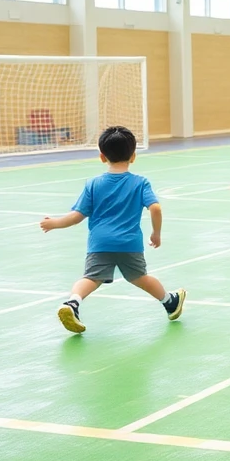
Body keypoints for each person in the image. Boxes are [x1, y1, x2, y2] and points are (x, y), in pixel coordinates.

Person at [39, 125, 186, 334]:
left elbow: (76, 217)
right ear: (133, 156)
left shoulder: (93, 184)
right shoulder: (140, 182)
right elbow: (156, 208)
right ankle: (170, 302)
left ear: (101, 156)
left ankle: (72, 303)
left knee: (90, 278)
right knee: (140, 277)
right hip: (129, 243)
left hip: (100, 243)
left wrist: (54, 223)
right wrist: (156, 233)